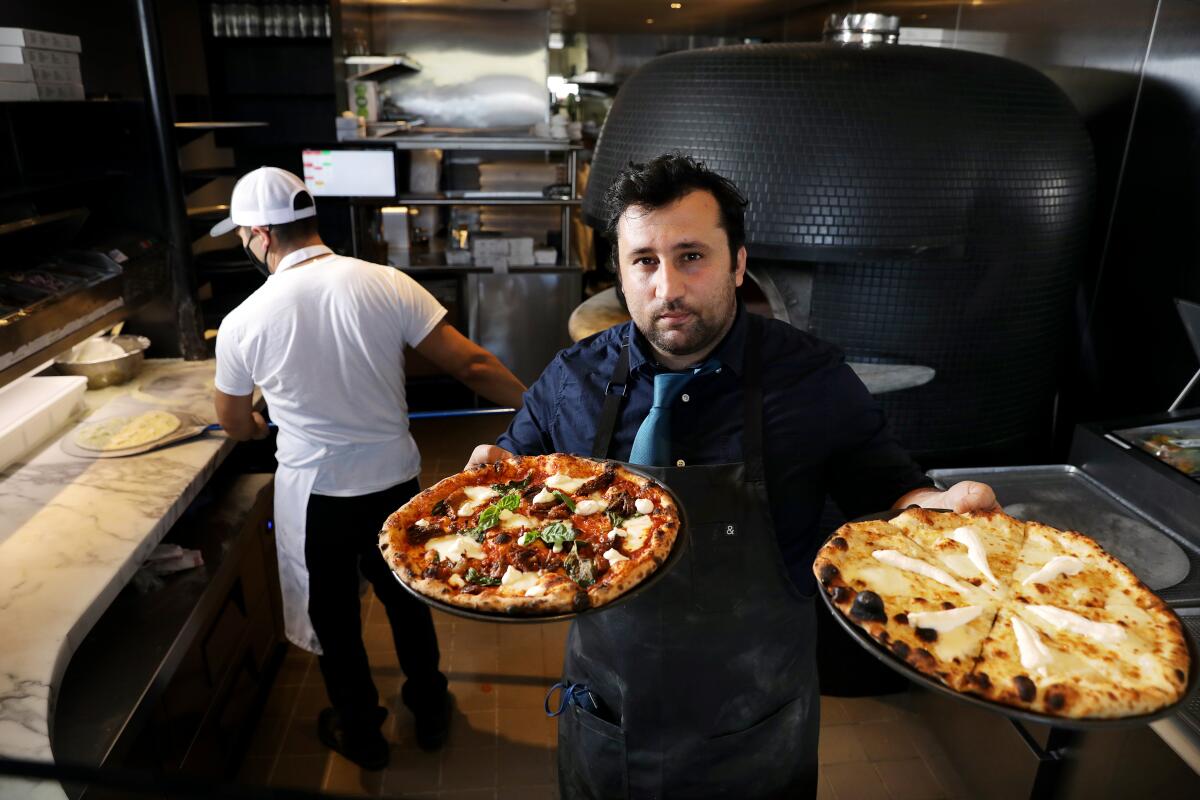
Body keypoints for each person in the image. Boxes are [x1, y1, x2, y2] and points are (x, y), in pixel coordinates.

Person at [467, 153, 999, 799]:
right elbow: (513, 471)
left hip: (756, 711)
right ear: (621, 271)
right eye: (645, 261)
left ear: (737, 263)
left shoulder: (809, 378)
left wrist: (939, 505)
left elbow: (885, 481)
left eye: (692, 256)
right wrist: (489, 484)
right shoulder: (571, 378)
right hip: (611, 702)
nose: (667, 287)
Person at [210, 166, 527, 770]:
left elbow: (233, 423)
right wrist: (543, 405)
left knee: (334, 621)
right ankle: (430, 708)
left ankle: (363, 734)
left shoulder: (243, 321)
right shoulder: (385, 282)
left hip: (316, 498)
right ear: (307, 220)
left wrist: (256, 424)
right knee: (407, 599)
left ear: (259, 235)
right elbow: (475, 365)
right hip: (394, 484)